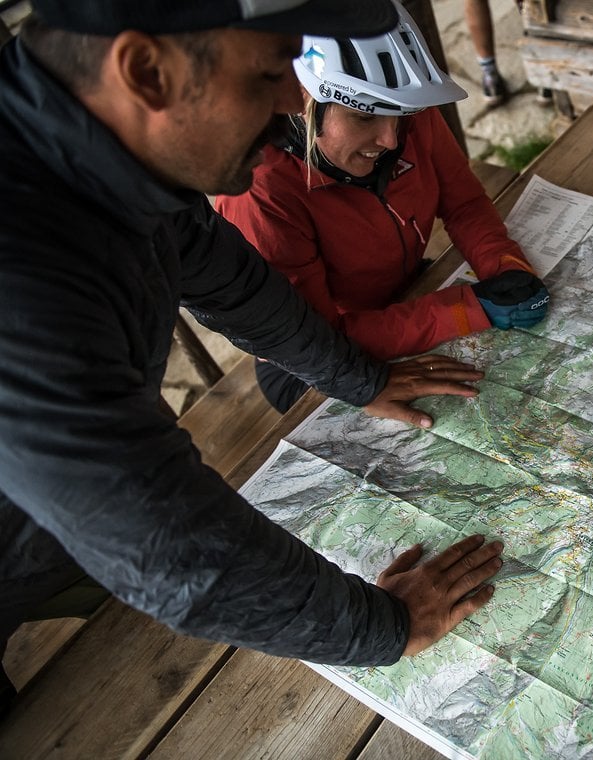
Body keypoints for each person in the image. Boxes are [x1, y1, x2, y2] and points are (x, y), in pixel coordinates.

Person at [0, 0, 507, 711]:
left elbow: (234, 284)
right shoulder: (25, 277)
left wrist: (357, 378)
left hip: (52, 532)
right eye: (273, 72)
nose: (287, 107)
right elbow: (165, 544)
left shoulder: (100, 154)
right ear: (147, 71)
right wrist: (385, 625)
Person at [216, 4, 550, 413]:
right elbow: (319, 338)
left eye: (402, 115)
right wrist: (468, 309)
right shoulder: (260, 193)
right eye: (362, 117)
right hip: (318, 365)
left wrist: (504, 267)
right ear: (302, 101)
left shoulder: (405, 117)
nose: (391, 139)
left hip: (408, 294)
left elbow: (464, 202)